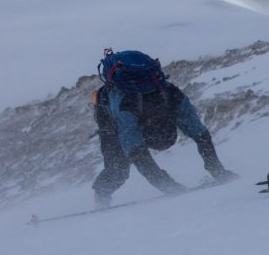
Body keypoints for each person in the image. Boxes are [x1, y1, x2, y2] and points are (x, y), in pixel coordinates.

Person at [92, 48, 237, 206]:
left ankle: (104, 192)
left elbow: (200, 135)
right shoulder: (128, 110)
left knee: (124, 163)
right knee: (118, 169)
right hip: (109, 115)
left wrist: (217, 171)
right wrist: (170, 187)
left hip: (135, 110)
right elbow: (139, 156)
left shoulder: (171, 97)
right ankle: (101, 195)